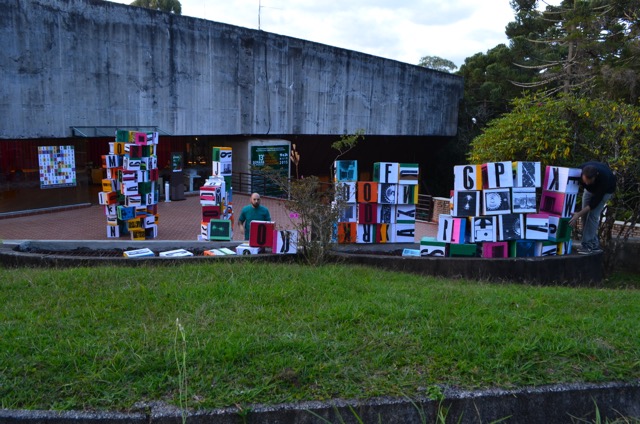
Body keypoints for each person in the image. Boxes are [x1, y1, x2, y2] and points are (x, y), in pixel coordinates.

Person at [568, 161, 616, 254]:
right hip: (589, 191)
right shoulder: (578, 171)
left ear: (595, 176)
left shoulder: (604, 179)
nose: (586, 183)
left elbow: (593, 204)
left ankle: (588, 245)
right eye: (585, 181)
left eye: (589, 181)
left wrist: (578, 214)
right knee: (584, 216)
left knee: (593, 215)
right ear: (582, 174)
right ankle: (594, 244)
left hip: (605, 191)